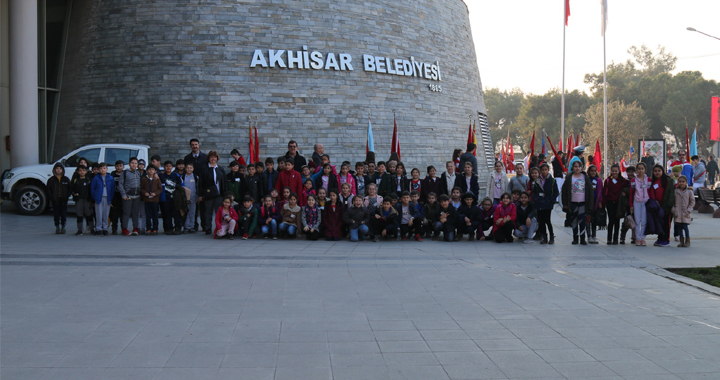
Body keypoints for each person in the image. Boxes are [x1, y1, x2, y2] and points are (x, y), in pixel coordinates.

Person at [562, 160, 594, 245]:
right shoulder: (569, 177)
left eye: (579, 166)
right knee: (574, 220)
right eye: (575, 166)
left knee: (582, 221)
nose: (577, 168)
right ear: (572, 167)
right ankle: (575, 238)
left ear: (582, 168)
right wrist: (565, 204)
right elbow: (564, 190)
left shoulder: (585, 177)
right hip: (572, 202)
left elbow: (590, 191)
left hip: (583, 202)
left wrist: (590, 204)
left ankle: (582, 238)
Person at [199, 150, 226, 235]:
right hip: (208, 194)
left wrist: (225, 194)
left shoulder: (220, 169)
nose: (213, 159)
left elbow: (224, 182)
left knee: (218, 211)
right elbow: (200, 183)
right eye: (211, 157)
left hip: (218, 194)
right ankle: (208, 227)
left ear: (217, 158)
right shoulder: (204, 168)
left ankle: (219, 227)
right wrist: (200, 194)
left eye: (214, 157)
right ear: (208, 158)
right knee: (208, 211)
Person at [648, 164, 675, 247]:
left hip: (666, 206)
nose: (657, 173)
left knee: (666, 223)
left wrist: (669, 204)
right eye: (655, 171)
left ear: (662, 171)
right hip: (657, 207)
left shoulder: (668, 181)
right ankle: (660, 238)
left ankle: (666, 239)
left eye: (659, 171)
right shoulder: (652, 181)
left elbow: (671, 193)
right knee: (659, 223)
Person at [602, 164, 629, 245]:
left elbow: (629, 187)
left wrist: (625, 192)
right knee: (611, 221)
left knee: (617, 221)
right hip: (610, 203)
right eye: (613, 171)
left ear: (619, 171)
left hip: (619, 203)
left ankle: (615, 238)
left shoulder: (623, 181)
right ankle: (609, 239)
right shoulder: (607, 180)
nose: (614, 172)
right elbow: (604, 193)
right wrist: (603, 203)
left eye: (616, 171)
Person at [533, 163, 559, 244]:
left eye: (545, 170)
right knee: (541, 221)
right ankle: (544, 236)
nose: (544, 171)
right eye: (542, 170)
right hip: (540, 203)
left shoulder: (552, 181)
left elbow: (556, 192)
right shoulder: (537, 181)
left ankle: (551, 236)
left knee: (547, 220)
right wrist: (536, 199)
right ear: (540, 171)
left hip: (548, 203)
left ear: (548, 170)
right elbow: (534, 192)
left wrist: (550, 199)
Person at [118, 157, 143, 236]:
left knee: (135, 213)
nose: (134, 165)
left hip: (137, 196)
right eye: (132, 163)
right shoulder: (125, 173)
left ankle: (135, 228)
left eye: (135, 163)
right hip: (128, 196)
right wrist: (123, 195)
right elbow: (120, 184)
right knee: (126, 213)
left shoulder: (138, 173)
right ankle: (124, 228)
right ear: (129, 164)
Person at [629, 162, 651, 246]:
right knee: (637, 221)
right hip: (636, 201)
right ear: (636, 170)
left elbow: (650, 191)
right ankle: (637, 238)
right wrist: (631, 205)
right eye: (639, 169)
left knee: (644, 221)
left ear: (645, 170)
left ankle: (643, 238)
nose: (640, 170)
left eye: (642, 169)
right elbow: (631, 193)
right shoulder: (633, 180)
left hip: (645, 202)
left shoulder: (648, 180)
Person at [91, 162, 115, 236]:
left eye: (104, 168)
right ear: (98, 170)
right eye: (100, 168)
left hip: (107, 198)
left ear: (107, 169)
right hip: (99, 198)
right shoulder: (95, 178)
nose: (102, 170)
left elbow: (112, 188)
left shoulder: (110, 178)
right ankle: (98, 228)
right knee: (99, 214)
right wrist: (95, 197)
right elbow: (92, 188)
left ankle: (105, 228)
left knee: (106, 214)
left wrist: (111, 197)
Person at [159, 160, 182, 235]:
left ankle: (178, 228)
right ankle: (168, 228)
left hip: (175, 198)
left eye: (170, 166)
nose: (168, 168)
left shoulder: (176, 175)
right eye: (166, 166)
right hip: (165, 197)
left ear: (172, 167)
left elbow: (181, 185)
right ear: (164, 167)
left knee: (176, 213)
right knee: (166, 213)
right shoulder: (161, 176)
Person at [47, 162, 70, 234]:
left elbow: (69, 189)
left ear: (63, 170)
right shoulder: (51, 180)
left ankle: (63, 226)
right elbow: (48, 190)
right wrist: (52, 197)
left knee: (63, 213)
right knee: (56, 213)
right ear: (54, 170)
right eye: (57, 168)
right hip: (55, 199)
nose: (58, 170)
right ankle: (57, 226)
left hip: (63, 199)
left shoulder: (66, 179)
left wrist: (67, 196)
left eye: (60, 169)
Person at [672, 176, 695, 247]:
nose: (681, 183)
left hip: (685, 212)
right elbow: (672, 202)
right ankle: (681, 241)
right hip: (678, 212)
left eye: (683, 181)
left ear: (686, 183)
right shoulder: (675, 191)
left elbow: (692, 202)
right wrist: (674, 210)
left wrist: (689, 210)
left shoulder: (689, 191)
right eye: (680, 181)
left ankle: (687, 241)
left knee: (685, 227)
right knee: (679, 228)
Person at [71, 165, 94, 235]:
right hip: (79, 200)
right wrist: (74, 193)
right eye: (80, 170)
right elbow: (71, 188)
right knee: (79, 215)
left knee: (89, 214)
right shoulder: (75, 180)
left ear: (86, 171)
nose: (82, 172)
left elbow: (91, 190)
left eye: (83, 170)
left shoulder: (89, 180)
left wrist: (91, 199)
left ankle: (92, 229)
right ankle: (80, 229)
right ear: (77, 172)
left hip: (87, 200)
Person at [141, 164, 161, 235]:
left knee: (155, 215)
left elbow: (160, 189)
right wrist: (145, 193)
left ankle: (155, 228)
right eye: (149, 169)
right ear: (146, 171)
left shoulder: (157, 179)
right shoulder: (144, 179)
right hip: (147, 200)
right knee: (148, 215)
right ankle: (148, 228)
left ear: (155, 171)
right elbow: (142, 188)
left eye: (152, 169)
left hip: (155, 200)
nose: (151, 171)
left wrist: (155, 193)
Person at [620, 166, 637, 245]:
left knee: (635, 221)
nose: (630, 173)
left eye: (632, 172)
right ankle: (622, 237)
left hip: (636, 204)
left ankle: (634, 237)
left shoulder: (637, 181)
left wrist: (626, 191)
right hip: (627, 205)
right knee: (626, 222)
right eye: (629, 172)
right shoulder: (625, 182)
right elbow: (622, 190)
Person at [586, 165, 603, 244]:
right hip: (588, 202)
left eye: (594, 171)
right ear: (588, 172)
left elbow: (600, 192)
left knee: (594, 220)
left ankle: (594, 235)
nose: (593, 172)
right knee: (588, 219)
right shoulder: (586, 180)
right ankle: (589, 236)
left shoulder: (599, 180)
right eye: (591, 171)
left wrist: (600, 202)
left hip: (596, 202)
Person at [181, 162, 199, 233]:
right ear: (185, 169)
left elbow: (197, 187)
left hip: (193, 197)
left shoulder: (196, 177)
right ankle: (186, 227)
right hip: (185, 198)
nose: (189, 169)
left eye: (190, 168)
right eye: (187, 168)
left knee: (192, 213)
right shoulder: (182, 177)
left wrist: (198, 197)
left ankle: (191, 227)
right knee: (186, 213)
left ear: (193, 169)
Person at [109, 160, 125, 234]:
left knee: (123, 213)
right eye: (117, 166)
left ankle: (123, 228)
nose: (119, 167)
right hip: (114, 196)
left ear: (123, 167)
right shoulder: (112, 174)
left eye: (120, 166)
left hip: (122, 195)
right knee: (114, 214)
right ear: (115, 167)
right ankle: (114, 228)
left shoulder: (125, 174)